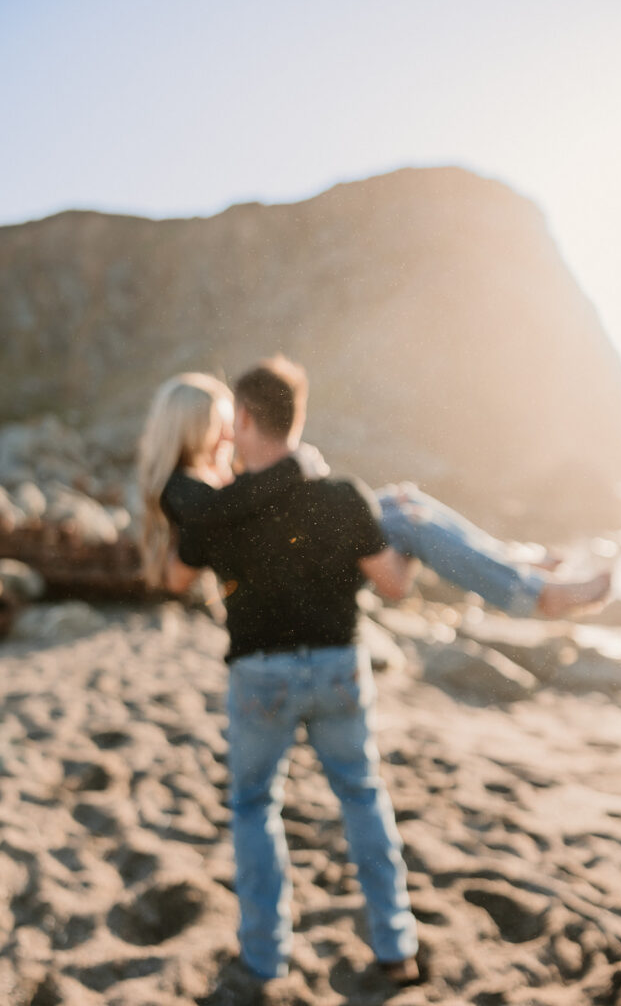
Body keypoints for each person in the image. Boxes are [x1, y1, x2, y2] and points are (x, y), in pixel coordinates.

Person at [141, 361, 421, 982]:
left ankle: (266, 958)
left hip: (259, 675)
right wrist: (410, 546)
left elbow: (175, 580)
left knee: (254, 807)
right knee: (362, 796)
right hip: (339, 669)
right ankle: (396, 947)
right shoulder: (342, 495)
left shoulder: (220, 512)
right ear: (297, 419)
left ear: (242, 419)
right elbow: (395, 586)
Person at [138, 369, 610, 618]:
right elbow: (232, 514)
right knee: (408, 521)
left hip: (298, 537)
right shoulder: (184, 489)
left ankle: (513, 563)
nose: (232, 437)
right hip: (295, 555)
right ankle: (536, 595)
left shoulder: (206, 480)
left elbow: (251, 503)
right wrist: (295, 465)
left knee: (407, 501)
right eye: (221, 427)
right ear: (193, 429)